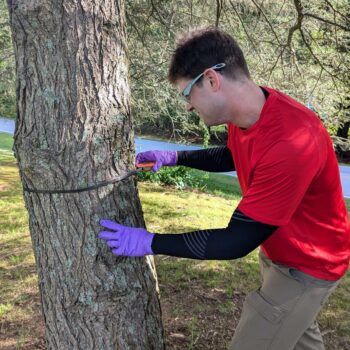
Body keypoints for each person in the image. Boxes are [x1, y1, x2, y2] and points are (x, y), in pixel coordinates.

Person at [98, 27, 350, 350]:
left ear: (212, 80)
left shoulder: (292, 142)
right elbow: (233, 153)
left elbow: (234, 241)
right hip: (280, 250)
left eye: (187, 93)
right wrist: (174, 157)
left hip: (307, 267)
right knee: (301, 341)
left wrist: (150, 242)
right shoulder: (249, 112)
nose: (187, 106)